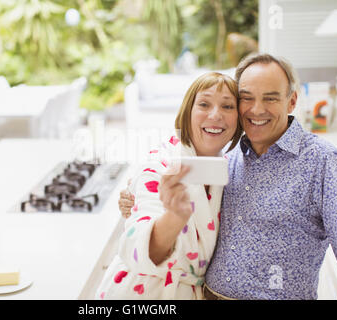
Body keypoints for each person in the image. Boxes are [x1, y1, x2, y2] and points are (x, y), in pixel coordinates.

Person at [118, 53, 337, 300]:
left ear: (291, 101)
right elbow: (184, 209)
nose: (257, 109)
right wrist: (135, 198)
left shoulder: (322, 161)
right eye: (247, 98)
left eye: (270, 98)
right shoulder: (229, 157)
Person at [95, 72, 243, 299]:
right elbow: (135, 246)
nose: (215, 115)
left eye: (227, 106)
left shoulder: (230, 171)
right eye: (204, 104)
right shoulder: (160, 165)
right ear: (187, 112)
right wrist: (175, 217)